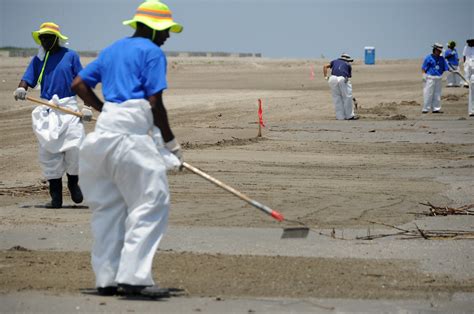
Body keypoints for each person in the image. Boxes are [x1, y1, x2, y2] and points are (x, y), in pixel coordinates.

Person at [71, 1, 183, 298]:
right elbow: (155, 104)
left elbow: (79, 83)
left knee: (109, 208)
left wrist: (103, 108)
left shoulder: (111, 50)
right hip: (130, 137)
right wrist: (170, 144)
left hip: (102, 136)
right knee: (151, 201)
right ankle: (134, 277)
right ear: (151, 28)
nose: (168, 36)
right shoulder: (152, 52)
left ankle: (107, 278)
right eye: (165, 30)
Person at [13, 22, 91, 208]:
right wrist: (21, 88)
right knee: (49, 153)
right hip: (48, 110)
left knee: (75, 147)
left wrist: (87, 106)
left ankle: (73, 183)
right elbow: (28, 78)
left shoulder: (70, 56)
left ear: (57, 38)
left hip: (69, 108)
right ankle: (56, 197)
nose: (45, 41)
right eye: (42, 38)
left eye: (48, 37)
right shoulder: (39, 59)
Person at [323, 53, 358, 120]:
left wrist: (326, 77)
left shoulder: (334, 61)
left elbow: (325, 66)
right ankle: (349, 116)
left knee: (337, 97)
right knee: (347, 97)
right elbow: (348, 76)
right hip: (342, 78)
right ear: (347, 60)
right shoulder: (348, 65)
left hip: (332, 78)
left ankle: (340, 117)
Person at [421, 43, 449, 113]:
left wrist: (445, 75)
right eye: (438, 51)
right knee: (428, 93)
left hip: (438, 78)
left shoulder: (442, 59)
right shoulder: (428, 57)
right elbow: (423, 67)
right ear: (435, 50)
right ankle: (426, 108)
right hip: (430, 77)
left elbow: (445, 68)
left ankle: (436, 108)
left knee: (437, 94)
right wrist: (424, 75)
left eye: (440, 51)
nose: (439, 52)